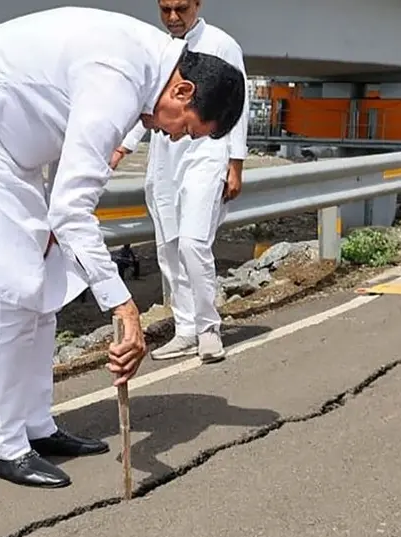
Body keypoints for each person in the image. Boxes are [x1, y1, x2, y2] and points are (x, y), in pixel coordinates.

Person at [0, 7, 246, 489]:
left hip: (11, 140)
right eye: (185, 127)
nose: (172, 135)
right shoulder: (119, 80)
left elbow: (73, 173)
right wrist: (124, 307)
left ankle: (36, 426)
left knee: (45, 284)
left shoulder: (145, 69)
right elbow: (71, 207)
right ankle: (2, 444)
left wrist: (62, 233)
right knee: (13, 291)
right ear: (183, 90)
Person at [110, 0, 250, 365]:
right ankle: (185, 328)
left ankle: (208, 329)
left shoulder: (222, 44)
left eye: (181, 8)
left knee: (192, 244)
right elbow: (146, 103)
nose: (173, 17)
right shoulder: (159, 50)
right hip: (165, 156)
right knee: (169, 248)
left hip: (207, 153)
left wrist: (235, 163)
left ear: (198, 4)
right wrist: (123, 147)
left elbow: (239, 106)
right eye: (166, 9)